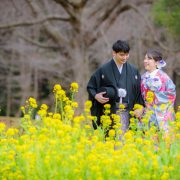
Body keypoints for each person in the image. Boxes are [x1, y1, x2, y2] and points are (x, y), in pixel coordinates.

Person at [87, 40, 144, 132]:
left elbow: (138, 92)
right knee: (111, 138)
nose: (125, 58)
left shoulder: (133, 71)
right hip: (110, 111)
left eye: (127, 55)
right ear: (114, 53)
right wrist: (96, 96)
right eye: (122, 55)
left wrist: (140, 107)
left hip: (128, 111)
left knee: (126, 138)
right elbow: (91, 86)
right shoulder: (104, 70)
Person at [140, 49, 176, 131]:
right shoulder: (143, 77)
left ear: (156, 62)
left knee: (162, 141)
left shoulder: (163, 77)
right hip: (147, 113)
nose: (145, 61)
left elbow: (172, 94)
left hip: (162, 113)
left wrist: (155, 96)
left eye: (149, 59)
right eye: (145, 58)